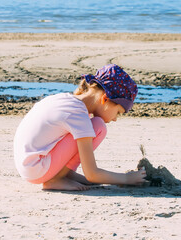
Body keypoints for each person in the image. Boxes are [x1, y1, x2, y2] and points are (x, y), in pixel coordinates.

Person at [14, 64, 147, 191]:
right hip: (37, 169)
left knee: (91, 126)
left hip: (29, 166)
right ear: (105, 99)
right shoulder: (77, 114)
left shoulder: (64, 99)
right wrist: (126, 178)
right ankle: (55, 179)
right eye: (118, 112)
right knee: (98, 126)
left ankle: (64, 174)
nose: (115, 119)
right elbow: (92, 174)